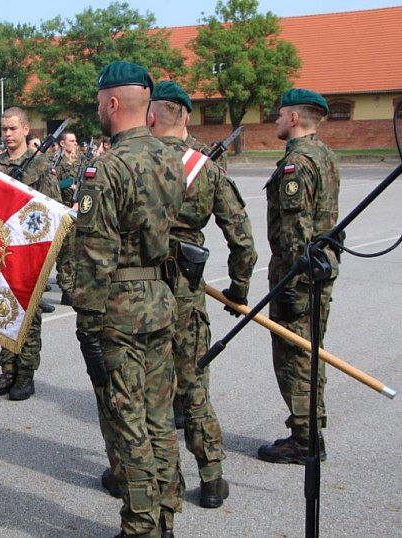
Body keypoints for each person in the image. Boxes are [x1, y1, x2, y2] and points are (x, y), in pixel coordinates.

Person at [72, 61, 185, 538]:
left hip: (119, 306)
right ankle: (165, 513)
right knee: (160, 416)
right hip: (160, 298)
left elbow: (94, 252)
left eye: (100, 104)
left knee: (127, 420)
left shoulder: (107, 168)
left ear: (113, 104)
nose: (99, 111)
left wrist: (86, 316)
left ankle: (140, 526)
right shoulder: (171, 159)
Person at [140, 80, 256, 508]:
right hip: (187, 295)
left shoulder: (132, 162)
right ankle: (211, 479)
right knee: (193, 389)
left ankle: (136, 477)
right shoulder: (205, 167)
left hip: (138, 294)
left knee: (144, 392)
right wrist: (238, 289)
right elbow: (243, 242)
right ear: (185, 116)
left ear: (151, 115)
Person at [258, 88, 340, 464]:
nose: (275, 119)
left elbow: (294, 232)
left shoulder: (297, 163)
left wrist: (289, 284)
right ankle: (311, 431)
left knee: (294, 355)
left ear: (294, 119)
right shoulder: (325, 155)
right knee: (310, 353)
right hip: (320, 269)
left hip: (300, 274)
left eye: (279, 114)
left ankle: (303, 439)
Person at [0, 107, 60, 401]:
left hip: (30, 251)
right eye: (4, 129)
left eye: (13, 128)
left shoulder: (40, 167)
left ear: (27, 129)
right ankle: (7, 370)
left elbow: (56, 211)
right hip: (0, 251)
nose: (8, 134)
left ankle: (25, 374)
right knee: (3, 312)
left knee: (29, 314)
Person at [54, 130, 80, 305]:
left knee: (77, 250)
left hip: (80, 210)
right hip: (64, 209)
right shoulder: (57, 163)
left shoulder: (79, 162)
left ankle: (75, 284)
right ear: (63, 143)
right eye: (71, 140)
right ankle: (66, 288)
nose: (75, 143)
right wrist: (68, 184)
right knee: (66, 252)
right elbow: (54, 184)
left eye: (76, 140)